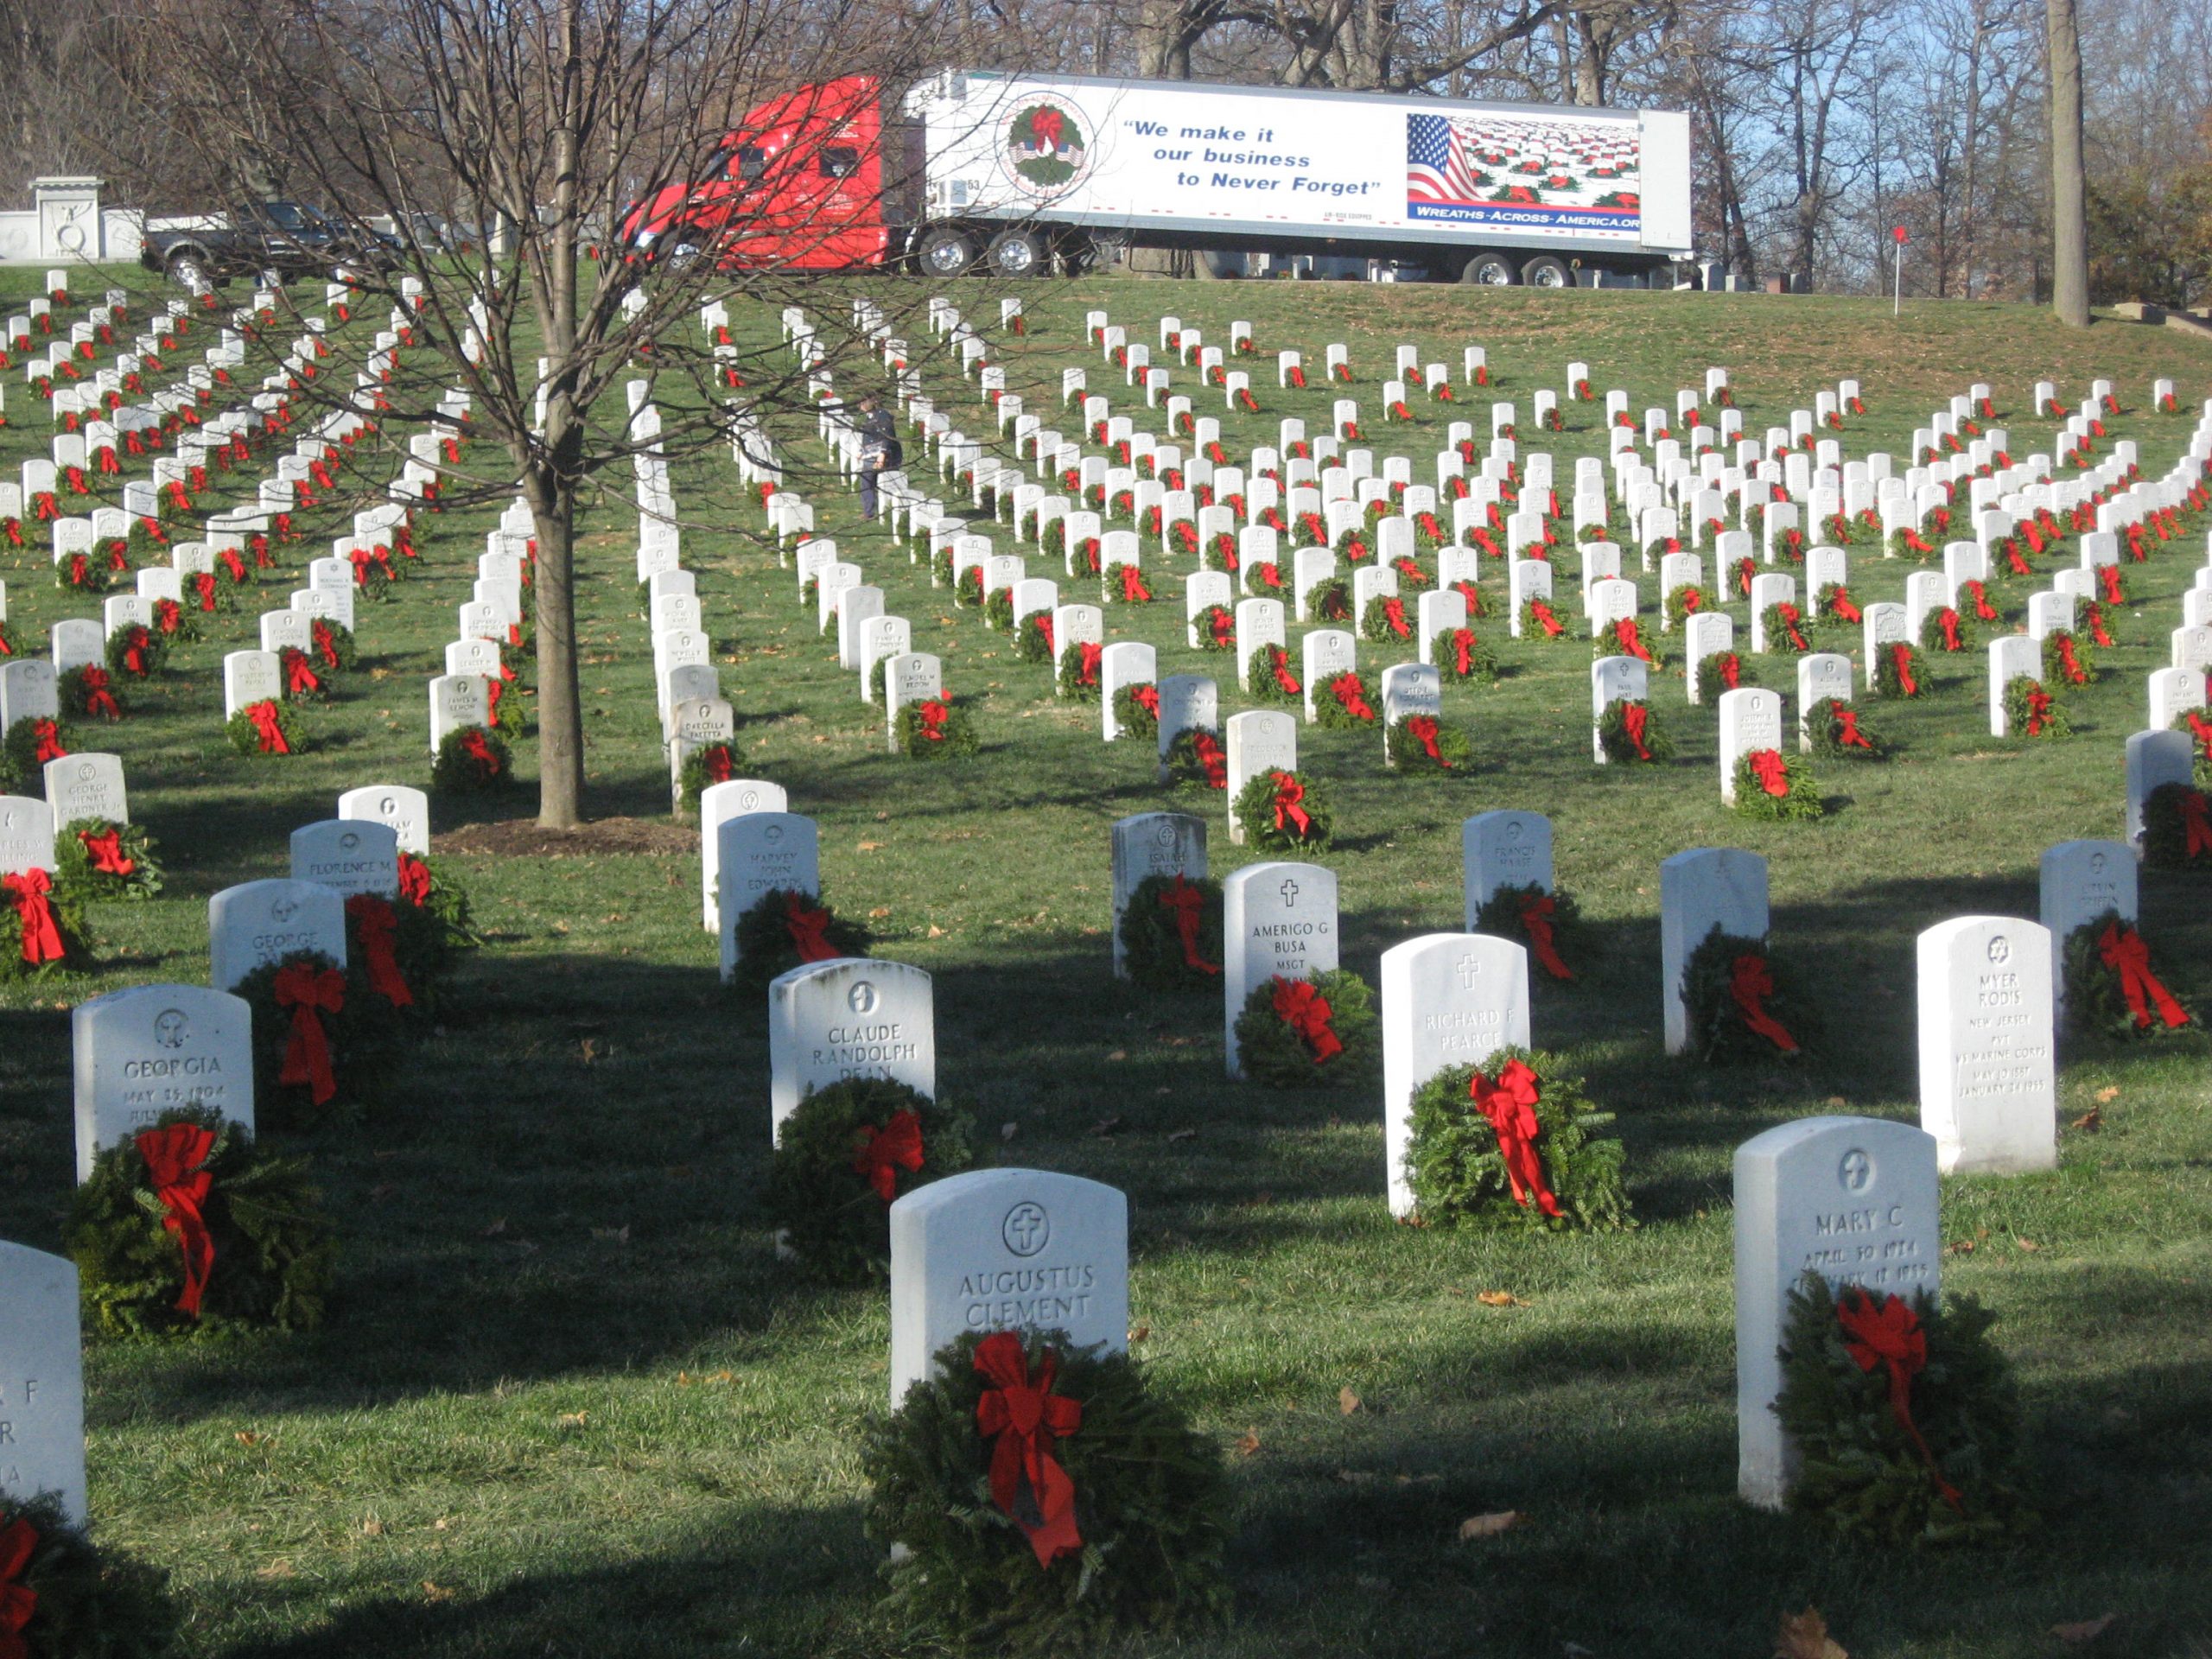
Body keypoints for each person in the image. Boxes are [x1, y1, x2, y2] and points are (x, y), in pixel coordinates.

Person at [857, 392, 902, 521]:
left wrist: (882, 456)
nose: (860, 405)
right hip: (870, 455)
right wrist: (862, 451)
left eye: (862, 402)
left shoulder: (883, 416)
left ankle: (889, 511)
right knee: (866, 484)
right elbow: (869, 436)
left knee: (886, 484)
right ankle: (869, 511)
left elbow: (886, 436)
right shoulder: (869, 417)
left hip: (884, 456)